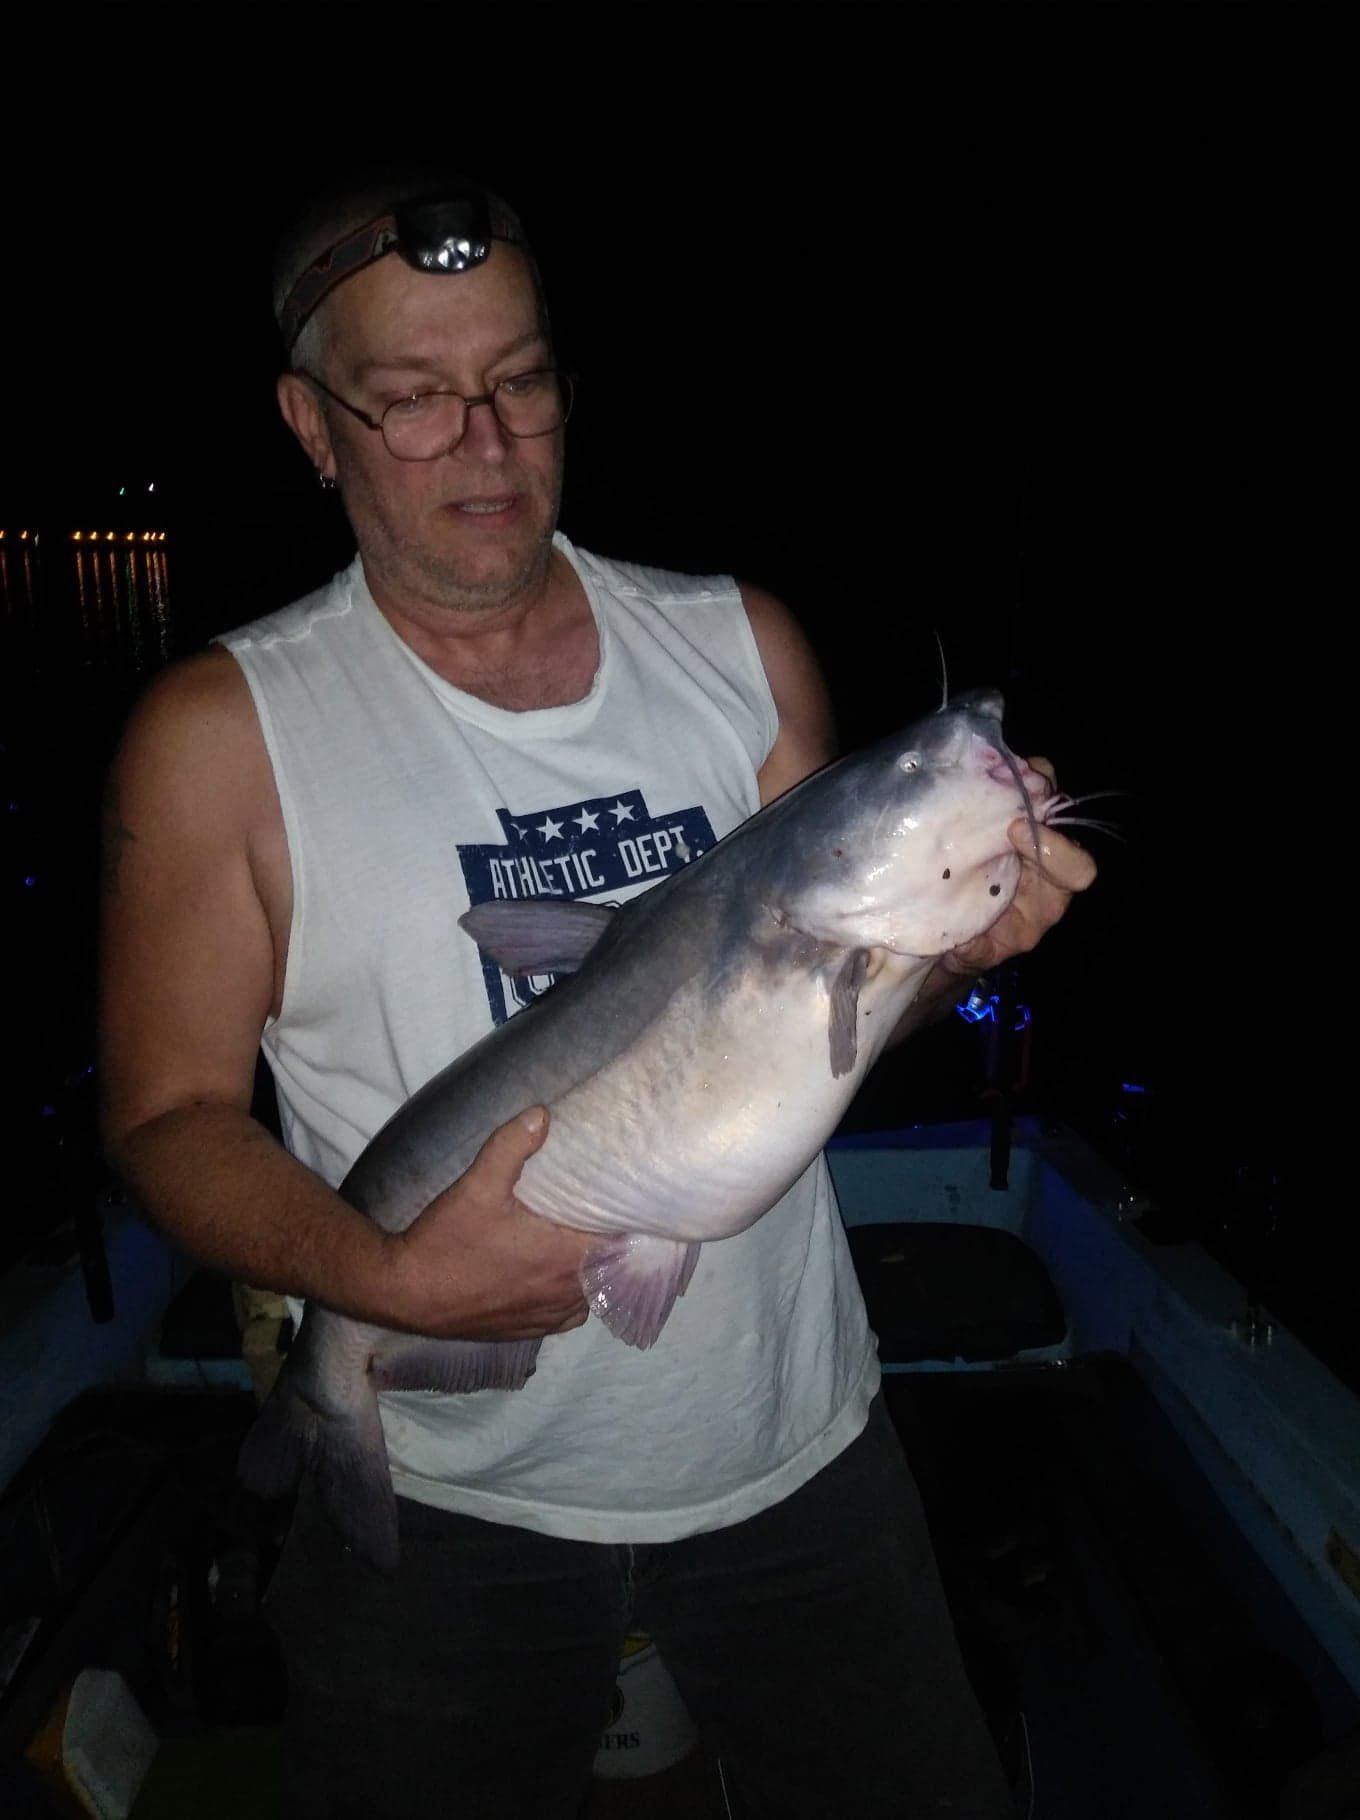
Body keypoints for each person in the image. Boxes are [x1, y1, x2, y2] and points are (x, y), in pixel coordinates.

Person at [99, 165, 1095, 1820]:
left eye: (521, 380)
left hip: (800, 1455)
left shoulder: (740, 646)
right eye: (414, 401)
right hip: (456, 1511)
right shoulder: (218, 739)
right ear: (310, 422)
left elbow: (846, 1018)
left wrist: (952, 953)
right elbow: (163, 1116)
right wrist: (383, 1281)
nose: (485, 443)